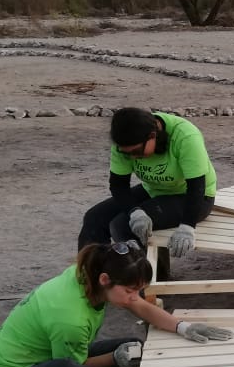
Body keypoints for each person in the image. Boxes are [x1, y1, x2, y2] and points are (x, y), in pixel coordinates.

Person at [0, 242, 232, 367]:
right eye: (129, 291)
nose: (134, 298)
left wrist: (182, 326)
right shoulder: (70, 317)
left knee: (132, 345)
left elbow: (138, 305)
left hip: (46, 356)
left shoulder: (87, 276)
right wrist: (114, 360)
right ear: (105, 279)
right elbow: (74, 366)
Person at [77, 107, 218, 258]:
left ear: (152, 135)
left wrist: (187, 227)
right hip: (154, 190)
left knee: (122, 226)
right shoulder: (123, 142)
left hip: (195, 197)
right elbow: (118, 185)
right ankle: (93, 274)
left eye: (136, 152)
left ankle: (145, 277)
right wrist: (135, 212)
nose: (132, 157)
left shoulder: (185, 136)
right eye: (126, 153)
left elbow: (196, 187)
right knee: (94, 218)